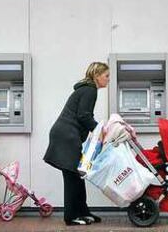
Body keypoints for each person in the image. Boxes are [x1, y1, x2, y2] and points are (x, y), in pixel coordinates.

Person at [43, 62, 109, 226]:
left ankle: (82, 211)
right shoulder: (90, 90)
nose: (108, 79)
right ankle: (71, 217)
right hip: (66, 136)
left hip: (65, 135)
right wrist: (100, 130)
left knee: (78, 175)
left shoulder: (85, 89)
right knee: (72, 176)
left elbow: (83, 116)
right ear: (97, 75)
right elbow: (84, 116)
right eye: (106, 76)